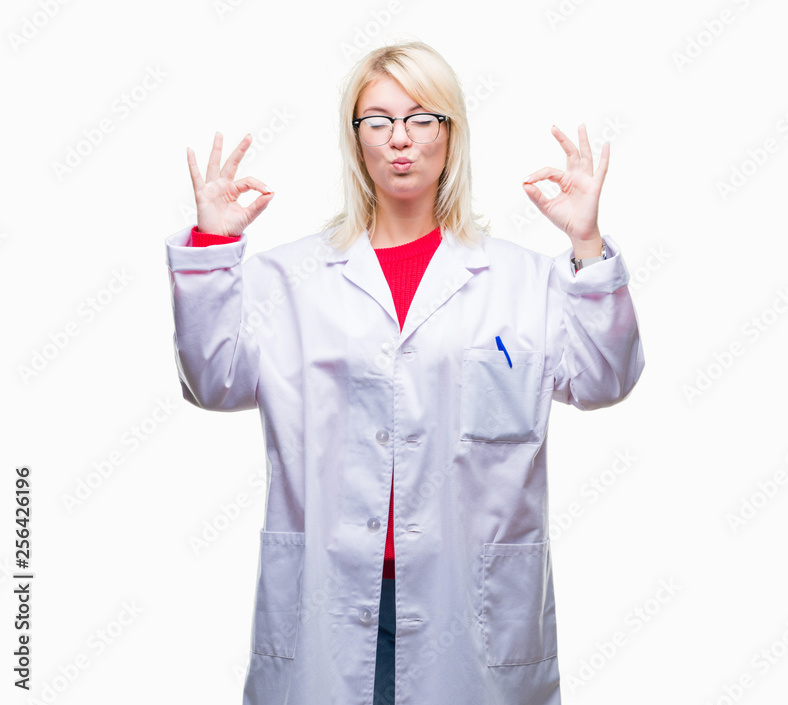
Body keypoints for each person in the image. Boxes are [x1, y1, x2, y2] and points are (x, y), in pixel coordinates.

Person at [164, 40, 644, 705]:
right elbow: (212, 379)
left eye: (422, 118)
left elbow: (605, 378)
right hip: (328, 598)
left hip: (470, 605)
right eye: (379, 120)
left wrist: (586, 245)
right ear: (355, 138)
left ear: (451, 134)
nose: (400, 138)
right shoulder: (291, 279)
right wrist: (215, 245)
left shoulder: (520, 281)